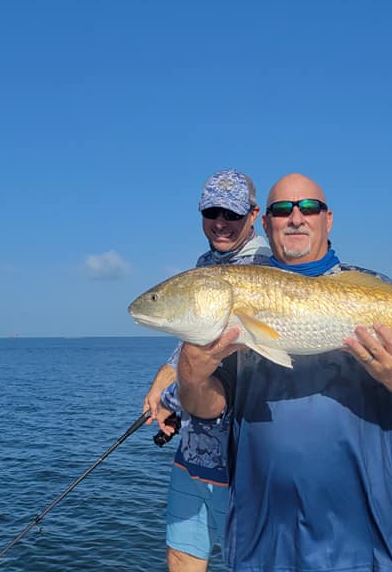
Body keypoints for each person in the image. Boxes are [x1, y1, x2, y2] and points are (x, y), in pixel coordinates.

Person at [176, 173, 392, 572]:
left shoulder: (375, 290)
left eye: (308, 207)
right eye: (281, 209)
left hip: (365, 535)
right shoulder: (238, 295)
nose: (295, 217)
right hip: (263, 534)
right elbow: (210, 407)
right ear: (265, 222)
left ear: (328, 219)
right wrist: (191, 377)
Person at [142, 169, 271, 572]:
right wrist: (162, 386)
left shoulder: (271, 268)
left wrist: (174, 395)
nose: (220, 223)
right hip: (197, 447)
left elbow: (238, 357)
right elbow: (192, 341)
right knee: (182, 552)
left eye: (231, 214)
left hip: (247, 451)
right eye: (211, 212)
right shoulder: (206, 265)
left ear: (253, 215)